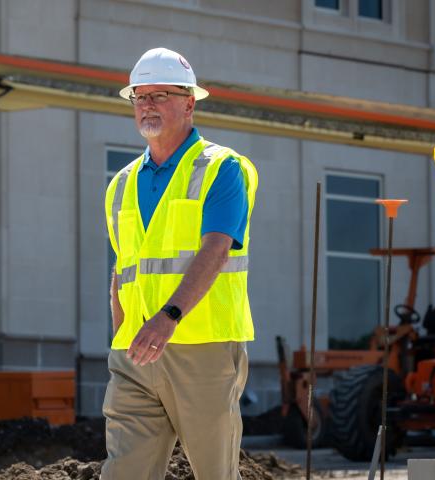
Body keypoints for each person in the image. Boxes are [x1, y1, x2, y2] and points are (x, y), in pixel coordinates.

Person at [102, 47, 258, 479]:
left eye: (160, 95)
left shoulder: (222, 168)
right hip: (136, 354)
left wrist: (168, 317)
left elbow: (217, 249)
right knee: (124, 472)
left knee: (214, 472)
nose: (147, 106)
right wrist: (121, 340)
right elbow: (123, 271)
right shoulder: (120, 185)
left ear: (189, 102)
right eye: (140, 97)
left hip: (202, 349)